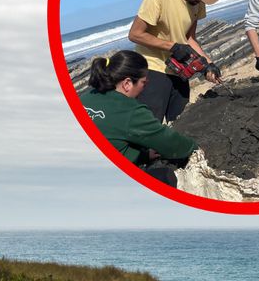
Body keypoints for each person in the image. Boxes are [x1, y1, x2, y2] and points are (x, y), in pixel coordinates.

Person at [79, 50, 198, 188]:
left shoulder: (86, 96)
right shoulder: (130, 110)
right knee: (165, 177)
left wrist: (143, 156)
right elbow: (169, 142)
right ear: (127, 83)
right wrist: (194, 147)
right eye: (143, 82)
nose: (145, 85)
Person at [127, 0, 225, 123]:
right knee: (150, 127)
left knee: (182, 122)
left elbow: (189, 38)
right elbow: (135, 34)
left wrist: (208, 64)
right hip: (152, 69)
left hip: (180, 70)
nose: (201, 2)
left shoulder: (198, 1)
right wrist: (172, 46)